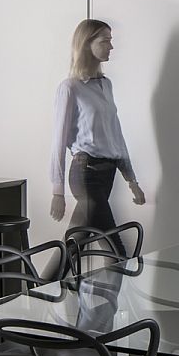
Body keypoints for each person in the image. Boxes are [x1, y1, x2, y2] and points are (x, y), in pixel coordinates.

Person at [50, 19, 146, 245]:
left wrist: (131, 180)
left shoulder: (106, 85)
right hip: (86, 175)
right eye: (105, 41)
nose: (111, 47)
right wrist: (58, 191)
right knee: (115, 249)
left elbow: (116, 136)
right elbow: (58, 142)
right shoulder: (70, 88)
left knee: (73, 246)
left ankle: (43, 282)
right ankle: (46, 281)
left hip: (106, 176)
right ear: (86, 44)